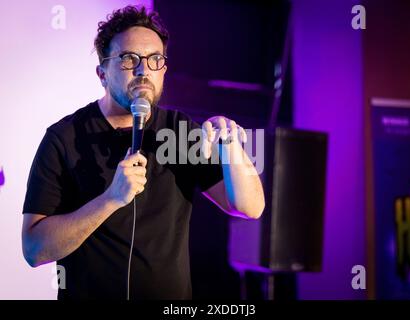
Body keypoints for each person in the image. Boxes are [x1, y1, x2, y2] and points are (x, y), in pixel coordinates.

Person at [21, 5, 265, 300]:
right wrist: (110, 199)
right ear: (102, 73)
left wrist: (231, 146)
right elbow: (35, 250)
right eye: (128, 59)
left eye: (154, 60)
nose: (143, 70)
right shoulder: (64, 138)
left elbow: (250, 208)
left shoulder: (177, 131)